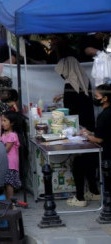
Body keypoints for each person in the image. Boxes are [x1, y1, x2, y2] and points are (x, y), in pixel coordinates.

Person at [50, 53, 100, 206]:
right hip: (90, 126)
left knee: (79, 161)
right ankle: (94, 191)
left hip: (79, 129)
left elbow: (69, 111)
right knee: (89, 159)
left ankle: (80, 197)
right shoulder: (85, 80)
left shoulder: (69, 84)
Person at [1, 111, 26, 200]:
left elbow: (6, 149)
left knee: (9, 184)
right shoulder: (4, 134)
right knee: (6, 183)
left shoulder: (12, 135)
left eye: (4, 121)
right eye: (2, 121)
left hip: (11, 163)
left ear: (12, 123)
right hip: (5, 163)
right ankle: (7, 203)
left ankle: (11, 203)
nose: (2, 123)